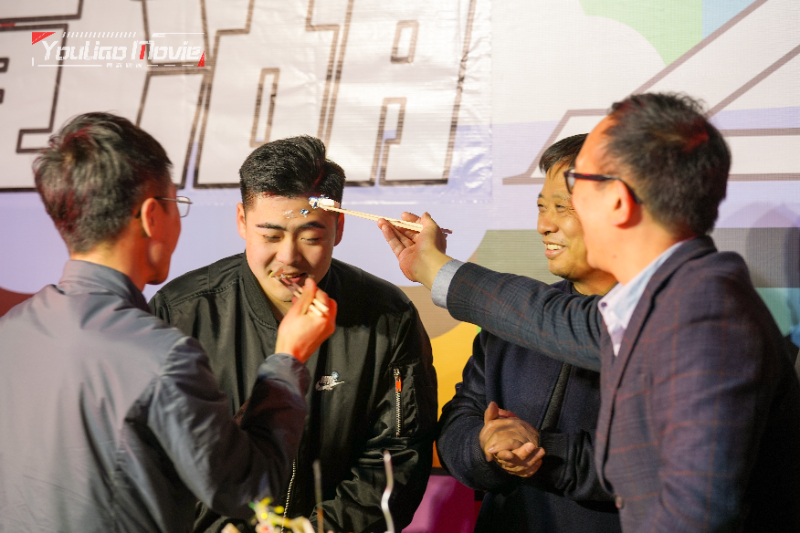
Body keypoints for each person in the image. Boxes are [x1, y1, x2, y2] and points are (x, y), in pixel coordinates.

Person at [379, 93, 800, 531]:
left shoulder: (706, 311)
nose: (545, 223)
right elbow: (555, 321)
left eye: (574, 196)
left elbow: (692, 513)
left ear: (617, 201)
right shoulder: (673, 298)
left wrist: (542, 453)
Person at [0, 113, 336, 532]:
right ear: (151, 217)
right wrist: (288, 359)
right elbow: (250, 488)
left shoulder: (11, 331)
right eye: (176, 204)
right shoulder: (163, 357)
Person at [150, 136, 437, 533]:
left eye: (310, 237)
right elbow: (158, 461)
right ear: (241, 221)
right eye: (270, 236)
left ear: (337, 227)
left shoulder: (388, 315)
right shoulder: (180, 312)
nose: (288, 257)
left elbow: (398, 459)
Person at [437, 134, 622, 532]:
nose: (543, 225)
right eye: (541, 207)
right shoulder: (515, 318)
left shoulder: (666, 322)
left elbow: (656, 461)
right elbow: (459, 420)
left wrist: (540, 453)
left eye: (562, 208)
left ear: (619, 211)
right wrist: (486, 445)